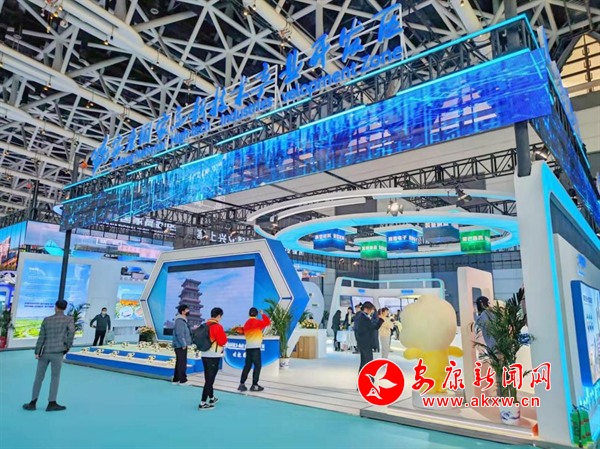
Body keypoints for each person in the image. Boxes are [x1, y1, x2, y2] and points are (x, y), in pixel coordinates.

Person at [23, 299, 75, 412]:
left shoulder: (47, 320)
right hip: (58, 352)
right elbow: (71, 333)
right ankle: (52, 403)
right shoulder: (69, 319)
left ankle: (32, 403)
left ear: (55, 307)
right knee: (55, 377)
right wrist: (67, 346)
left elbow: (41, 336)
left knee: (39, 377)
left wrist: (37, 351)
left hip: (45, 352)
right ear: (65, 308)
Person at [199, 307, 227, 410]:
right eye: (221, 316)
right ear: (218, 316)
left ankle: (211, 398)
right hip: (213, 356)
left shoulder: (204, 325)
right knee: (209, 380)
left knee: (208, 378)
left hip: (204, 354)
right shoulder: (218, 327)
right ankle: (202, 403)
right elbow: (222, 341)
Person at [238, 308, 271, 392]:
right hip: (256, 348)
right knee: (257, 366)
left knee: (247, 366)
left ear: (249, 314)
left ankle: (241, 384)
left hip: (248, 348)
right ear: (256, 314)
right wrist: (263, 314)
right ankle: (254, 385)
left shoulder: (246, 323)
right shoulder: (258, 322)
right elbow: (268, 322)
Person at [354, 302, 384, 373]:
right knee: (368, 361)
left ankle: (361, 375)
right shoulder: (364, 318)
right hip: (366, 343)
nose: (372, 311)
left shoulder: (361, 316)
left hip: (362, 342)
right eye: (371, 309)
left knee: (364, 361)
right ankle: (369, 377)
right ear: (366, 309)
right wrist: (380, 320)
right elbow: (374, 327)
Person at [172, 304, 192, 386]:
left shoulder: (183, 320)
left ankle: (176, 379)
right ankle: (183, 380)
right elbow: (179, 334)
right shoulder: (180, 321)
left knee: (179, 362)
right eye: (187, 310)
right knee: (182, 363)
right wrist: (183, 344)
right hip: (180, 345)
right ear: (183, 312)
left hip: (180, 345)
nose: (188, 311)